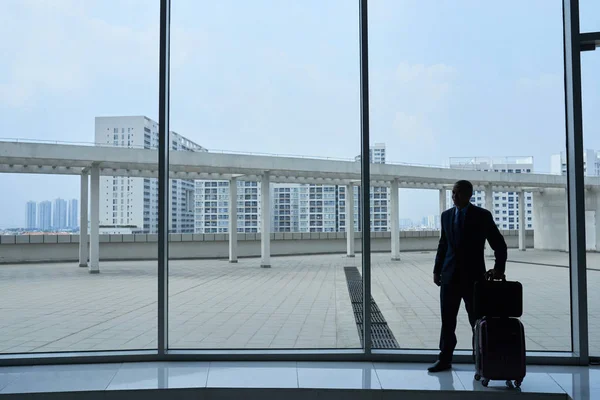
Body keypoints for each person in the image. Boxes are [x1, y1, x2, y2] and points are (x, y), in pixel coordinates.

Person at [428, 180, 507, 373]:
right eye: (453, 193)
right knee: (447, 322)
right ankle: (444, 359)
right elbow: (443, 245)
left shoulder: (482, 216)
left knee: (477, 322)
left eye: (457, 193)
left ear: (468, 195)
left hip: (473, 279)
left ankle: (480, 361)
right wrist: (437, 270)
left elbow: (499, 244)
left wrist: (499, 269)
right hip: (449, 278)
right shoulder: (446, 216)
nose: (454, 196)